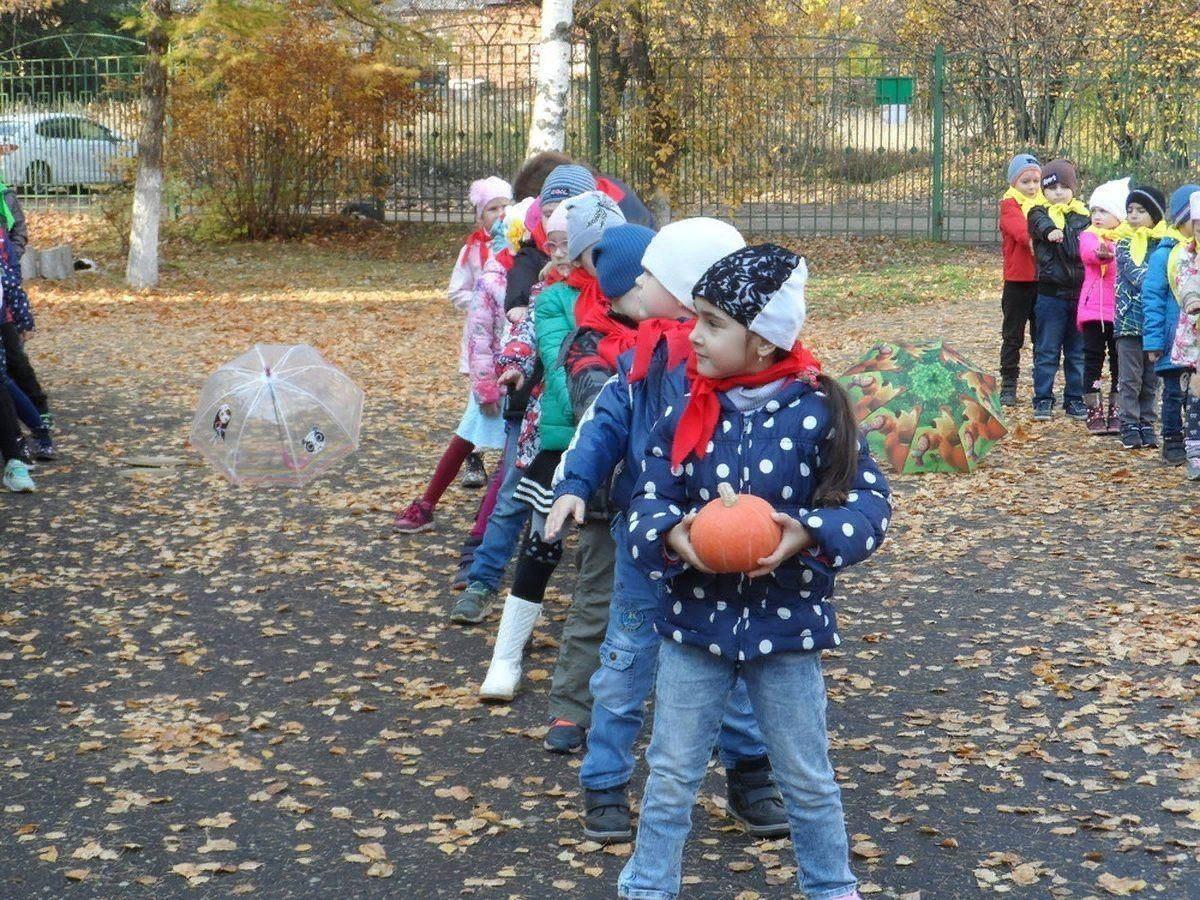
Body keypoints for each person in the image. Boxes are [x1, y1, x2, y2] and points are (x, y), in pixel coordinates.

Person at [617, 244, 889, 900]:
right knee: (672, 773)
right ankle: (647, 888)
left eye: (712, 322)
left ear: (763, 340)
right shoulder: (684, 408)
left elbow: (869, 506)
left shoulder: (819, 411)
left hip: (788, 629)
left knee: (806, 778)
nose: (694, 335)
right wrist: (673, 534)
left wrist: (808, 532)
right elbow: (644, 498)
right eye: (695, 318)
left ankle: (831, 887)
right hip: (693, 627)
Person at [545, 218, 790, 844]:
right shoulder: (643, 356)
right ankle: (604, 783)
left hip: (724, 553)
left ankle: (749, 774)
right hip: (647, 547)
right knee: (625, 665)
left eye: (651, 273)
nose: (637, 282)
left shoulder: (735, 363)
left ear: (686, 290)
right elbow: (603, 423)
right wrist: (575, 483)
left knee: (734, 663)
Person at [393, 176, 511, 533]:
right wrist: (480, 299)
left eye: (506, 206)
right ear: (480, 216)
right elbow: (461, 297)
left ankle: (488, 523)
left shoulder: (531, 256)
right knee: (470, 430)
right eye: (493, 208)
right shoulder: (474, 252)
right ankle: (429, 502)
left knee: (515, 446)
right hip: (487, 356)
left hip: (521, 365)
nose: (501, 214)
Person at [1028, 159, 1091, 421]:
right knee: (1047, 350)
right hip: (1050, 295)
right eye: (1052, 187)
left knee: (1077, 353)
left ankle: (1074, 399)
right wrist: (1052, 231)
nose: (1058, 192)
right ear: (1044, 190)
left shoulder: (1083, 217)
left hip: (1078, 296)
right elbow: (1039, 224)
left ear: (1073, 189)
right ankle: (1043, 398)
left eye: (1064, 187)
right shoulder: (1038, 213)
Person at [1143, 184, 1200, 465]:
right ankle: (1173, 440)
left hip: (1196, 340)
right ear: (1181, 219)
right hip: (1171, 339)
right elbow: (1152, 299)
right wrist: (1153, 341)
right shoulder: (1165, 255)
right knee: (1174, 394)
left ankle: (1194, 442)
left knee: (1196, 395)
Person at [1113, 184, 1166, 449]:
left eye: (1141, 210)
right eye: (1130, 210)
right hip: (1129, 321)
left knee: (1151, 379)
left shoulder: (1165, 245)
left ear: (1155, 216)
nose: (1133, 215)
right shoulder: (1123, 243)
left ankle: (1147, 422)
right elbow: (1140, 277)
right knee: (1130, 379)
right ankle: (1129, 424)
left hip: (1155, 324)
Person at [1077, 178, 1127, 435]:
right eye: (1094, 210)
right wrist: (1102, 252)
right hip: (1094, 311)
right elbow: (1089, 253)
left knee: (1119, 360)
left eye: (1103, 211)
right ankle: (1093, 409)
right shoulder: (1089, 236)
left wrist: (1116, 251)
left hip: (1120, 311)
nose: (1096, 216)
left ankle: (1117, 408)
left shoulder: (1129, 240)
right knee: (1093, 359)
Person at [997, 153, 1042, 405]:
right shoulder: (1009, 205)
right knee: (1013, 335)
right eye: (1026, 182)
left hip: (1044, 280)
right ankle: (1009, 382)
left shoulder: (1046, 204)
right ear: (1015, 183)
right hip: (1018, 281)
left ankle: (1041, 384)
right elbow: (1021, 231)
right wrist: (1043, 239)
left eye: (1036, 181)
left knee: (1042, 336)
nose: (1032, 187)